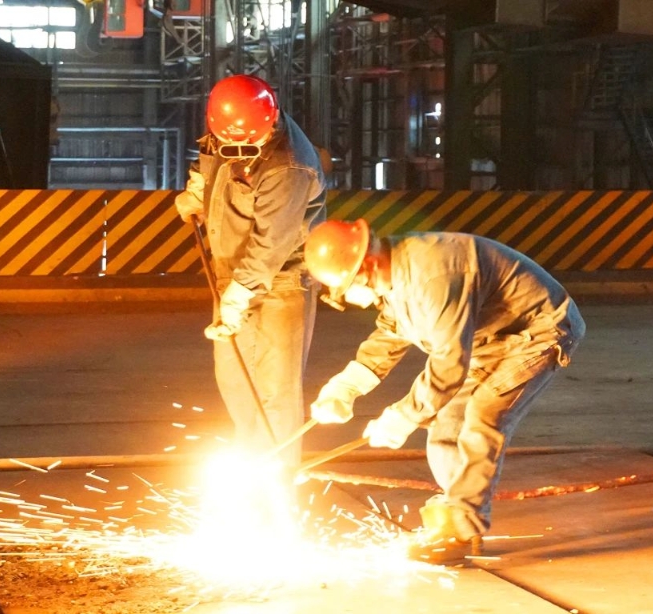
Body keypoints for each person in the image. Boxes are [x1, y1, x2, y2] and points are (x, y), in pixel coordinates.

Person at [304, 219, 585, 563]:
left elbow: (449, 363)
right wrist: (347, 387)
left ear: (369, 263)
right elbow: (391, 332)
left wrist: (404, 416)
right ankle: (456, 515)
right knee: (446, 429)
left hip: (539, 332)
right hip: (490, 338)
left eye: (351, 285)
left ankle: (459, 529)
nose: (352, 296)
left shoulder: (434, 276)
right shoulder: (394, 275)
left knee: (484, 415)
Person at [174, 75, 326, 467]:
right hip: (232, 276)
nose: (239, 152)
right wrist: (199, 190)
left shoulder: (289, 166)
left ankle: (277, 477)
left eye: (247, 145)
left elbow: (270, 244)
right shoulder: (231, 126)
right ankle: (252, 465)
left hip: (281, 282)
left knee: (275, 392)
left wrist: (239, 295)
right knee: (236, 382)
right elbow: (212, 156)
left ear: (269, 122)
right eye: (231, 144)